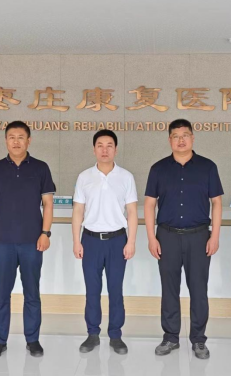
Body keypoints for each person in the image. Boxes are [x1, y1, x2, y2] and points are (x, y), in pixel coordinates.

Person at [144, 119, 223, 360]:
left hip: (199, 237)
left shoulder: (208, 167)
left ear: (192, 138)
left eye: (185, 135)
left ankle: (199, 340)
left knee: (198, 289)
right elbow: (149, 204)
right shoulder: (158, 169)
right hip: (166, 236)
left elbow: (216, 202)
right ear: (169, 140)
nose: (181, 140)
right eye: (176, 136)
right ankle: (170, 337)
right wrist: (151, 238)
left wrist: (215, 236)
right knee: (169, 289)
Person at [0, 120, 55, 359]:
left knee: (32, 293)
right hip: (2, 241)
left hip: (33, 242)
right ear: (6, 141)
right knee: (2, 293)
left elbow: (48, 204)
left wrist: (45, 233)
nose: (16, 141)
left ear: (29, 140)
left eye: (21, 137)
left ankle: (33, 340)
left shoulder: (41, 168)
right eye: (11, 137)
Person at [72, 129, 138, 355]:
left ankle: (116, 335)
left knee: (115, 289)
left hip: (117, 240)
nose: (104, 150)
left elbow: (132, 212)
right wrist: (76, 241)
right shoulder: (84, 177)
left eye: (109, 145)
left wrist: (131, 242)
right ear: (94, 149)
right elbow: (78, 211)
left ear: (115, 149)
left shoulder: (126, 177)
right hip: (90, 240)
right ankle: (92, 333)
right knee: (92, 290)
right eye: (100, 145)